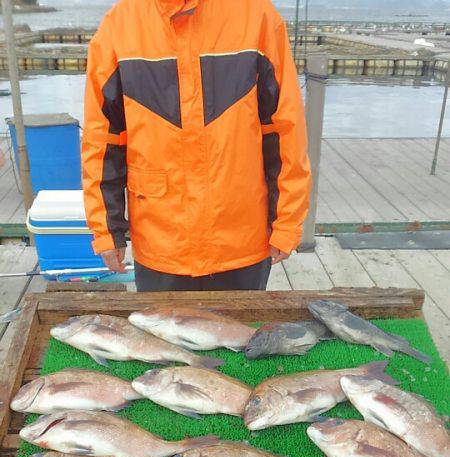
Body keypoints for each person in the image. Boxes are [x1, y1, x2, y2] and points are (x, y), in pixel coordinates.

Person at [82, 0, 311, 291]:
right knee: (161, 336)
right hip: (161, 244)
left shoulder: (257, 16)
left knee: (241, 335)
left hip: (240, 240)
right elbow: (103, 141)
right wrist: (107, 231)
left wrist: (287, 221)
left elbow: (284, 129)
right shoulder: (118, 26)